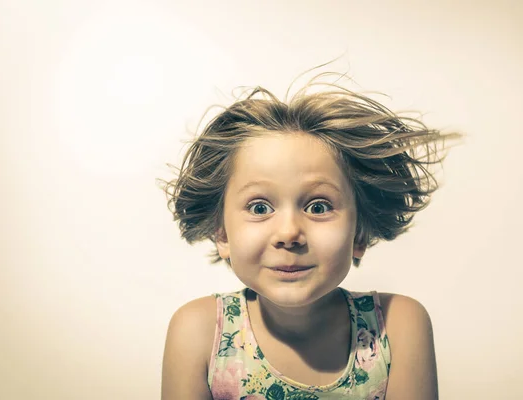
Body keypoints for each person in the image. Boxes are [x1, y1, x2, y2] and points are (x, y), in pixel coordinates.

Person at [160, 70, 461, 400]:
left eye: (318, 207)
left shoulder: (397, 326)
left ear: (359, 234)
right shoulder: (199, 334)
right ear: (222, 234)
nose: (289, 233)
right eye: (260, 208)